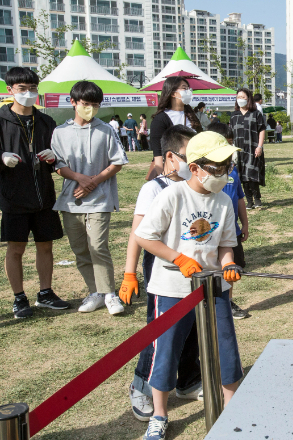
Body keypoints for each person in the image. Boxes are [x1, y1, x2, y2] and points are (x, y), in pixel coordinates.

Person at [134, 131, 244, 440]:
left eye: (227, 167)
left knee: (226, 346)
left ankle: (231, 408)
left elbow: (225, 245)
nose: (223, 175)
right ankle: (159, 414)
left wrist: (228, 265)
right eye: (216, 168)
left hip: (212, 287)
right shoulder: (173, 195)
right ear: (194, 168)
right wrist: (178, 258)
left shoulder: (224, 200)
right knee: (166, 350)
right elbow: (144, 236)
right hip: (171, 288)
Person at [119, 125, 203, 422]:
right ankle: (142, 384)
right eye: (190, 157)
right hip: (163, 270)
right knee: (161, 333)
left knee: (193, 327)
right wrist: (130, 274)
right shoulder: (153, 188)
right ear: (171, 157)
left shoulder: (195, 185)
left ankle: (189, 380)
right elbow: (137, 234)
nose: (197, 164)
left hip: (194, 270)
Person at [51, 81, 128, 315]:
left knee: (98, 246)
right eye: (86, 104)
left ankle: (110, 294)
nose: (91, 109)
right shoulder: (60, 132)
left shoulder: (105, 130)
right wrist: (79, 178)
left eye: (95, 105)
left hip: (101, 198)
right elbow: (58, 164)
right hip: (71, 200)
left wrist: (93, 181)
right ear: (73, 102)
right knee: (80, 249)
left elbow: (117, 162)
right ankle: (95, 291)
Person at [0, 67, 69, 319]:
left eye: (32, 88)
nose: (28, 93)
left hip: (43, 196)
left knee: (45, 246)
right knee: (15, 248)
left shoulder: (45, 121)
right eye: (22, 89)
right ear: (10, 90)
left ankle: (45, 293)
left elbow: (59, 155)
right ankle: (19, 297)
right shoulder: (1, 119)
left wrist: (54, 158)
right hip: (13, 197)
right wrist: (2, 157)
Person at [205, 122, 250, 319]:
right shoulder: (205, 175)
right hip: (211, 233)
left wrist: (245, 224)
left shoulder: (233, 172)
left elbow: (240, 198)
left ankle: (228, 301)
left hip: (232, 232)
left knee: (232, 268)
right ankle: (208, 303)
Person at [149, 76, 200, 176]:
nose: (188, 91)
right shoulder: (160, 119)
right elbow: (158, 154)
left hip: (193, 170)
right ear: (173, 93)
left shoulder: (192, 116)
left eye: (189, 89)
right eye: (184, 88)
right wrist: (164, 178)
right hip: (172, 172)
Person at [231, 88, 266, 209]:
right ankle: (249, 200)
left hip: (253, 148)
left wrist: (259, 146)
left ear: (249, 98)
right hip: (239, 151)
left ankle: (257, 199)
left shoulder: (256, 114)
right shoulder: (234, 116)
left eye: (243, 97)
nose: (241, 99)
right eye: (239, 97)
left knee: (252, 173)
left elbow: (262, 130)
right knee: (242, 176)